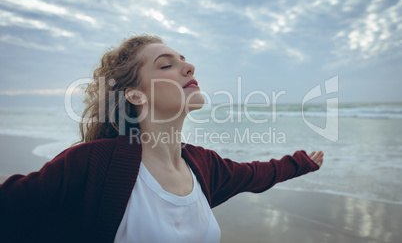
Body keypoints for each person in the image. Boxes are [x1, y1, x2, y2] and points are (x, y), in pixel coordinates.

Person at [0, 34, 324, 243]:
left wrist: (301, 163)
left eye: (184, 60)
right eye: (167, 64)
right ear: (136, 95)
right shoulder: (94, 163)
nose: (188, 67)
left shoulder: (204, 166)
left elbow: (255, 174)